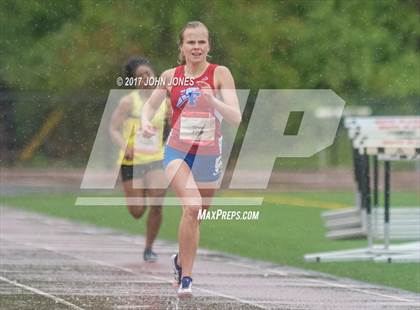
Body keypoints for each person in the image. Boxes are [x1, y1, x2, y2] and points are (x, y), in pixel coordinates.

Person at [141, 21, 241, 297]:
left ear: (208, 45)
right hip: (178, 151)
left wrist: (213, 102)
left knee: (198, 215)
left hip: (209, 155)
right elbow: (149, 107)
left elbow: (235, 116)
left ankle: (178, 260)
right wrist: (145, 122)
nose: (196, 47)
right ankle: (187, 277)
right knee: (192, 207)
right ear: (181, 46)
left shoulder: (220, 74)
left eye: (201, 42)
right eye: (191, 42)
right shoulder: (170, 76)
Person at [109, 57, 169, 262]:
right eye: (140, 76)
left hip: (156, 158)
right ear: (135, 81)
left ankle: (149, 248)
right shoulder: (128, 102)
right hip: (132, 160)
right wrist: (125, 146)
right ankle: (140, 191)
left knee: (158, 201)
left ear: (154, 75)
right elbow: (113, 128)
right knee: (136, 211)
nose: (145, 78)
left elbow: (174, 127)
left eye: (148, 74)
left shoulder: (165, 101)